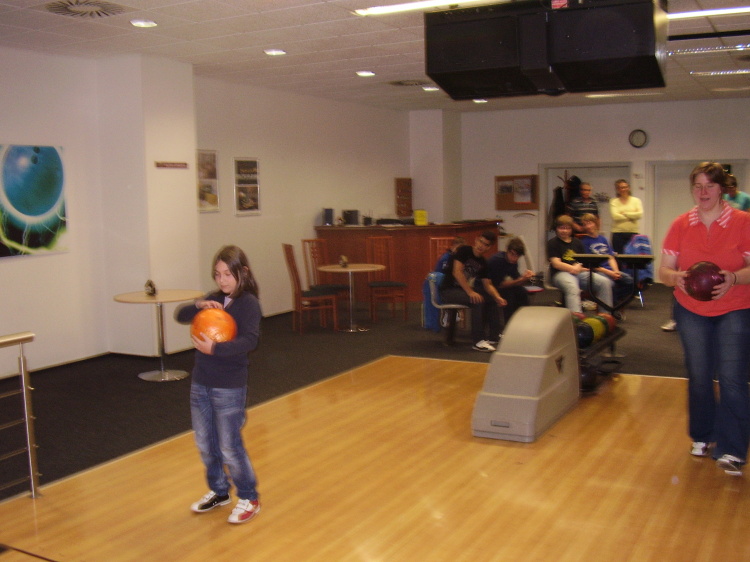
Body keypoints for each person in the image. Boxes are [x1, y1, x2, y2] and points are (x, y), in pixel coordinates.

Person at [659, 161, 750, 476]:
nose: (703, 192)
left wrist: (734, 278)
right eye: (697, 186)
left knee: (732, 377)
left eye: (710, 185)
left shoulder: (743, 222)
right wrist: (677, 278)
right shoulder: (681, 224)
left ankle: (733, 449)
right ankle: (702, 435)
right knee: (699, 376)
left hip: (735, 306)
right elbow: (664, 270)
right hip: (691, 309)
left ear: (722, 188)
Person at [175, 245, 263, 523]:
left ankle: (249, 497)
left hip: (229, 385)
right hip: (201, 381)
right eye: (217, 274)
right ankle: (219, 490)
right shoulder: (213, 299)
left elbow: (250, 340)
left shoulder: (248, 303)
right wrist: (199, 305)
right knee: (204, 441)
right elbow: (180, 315)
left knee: (229, 445)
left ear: (242, 272)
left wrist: (216, 349)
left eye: (228, 274)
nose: (222, 280)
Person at [440, 230, 507, 352]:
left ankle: (494, 335)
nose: (481, 246)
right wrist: (470, 292)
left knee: (490, 298)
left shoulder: (483, 262)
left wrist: (497, 297)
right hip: (448, 290)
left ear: (489, 247)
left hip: (461, 290)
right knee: (477, 300)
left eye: (486, 245)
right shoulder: (464, 250)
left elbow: (488, 284)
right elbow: (457, 272)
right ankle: (478, 341)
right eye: (481, 242)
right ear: (476, 240)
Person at [547, 214, 612, 313]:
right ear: (556, 229)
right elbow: (556, 264)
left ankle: (606, 315)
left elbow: (582, 261)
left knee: (604, 282)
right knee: (572, 287)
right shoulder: (553, 243)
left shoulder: (577, 242)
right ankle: (576, 318)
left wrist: (578, 266)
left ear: (571, 229)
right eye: (561, 228)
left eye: (567, 228)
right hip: (560, 274)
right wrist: (573, 268)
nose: (564, 231)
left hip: (578, 273)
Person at [579, 213, 634, 311]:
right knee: (610, 284)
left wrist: (615, 271)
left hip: (610, 270)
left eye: (590, 223)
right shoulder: (584, 242)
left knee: (630, 281)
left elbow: (611, 257)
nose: (588, 226)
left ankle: (614, 302)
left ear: (595, 223)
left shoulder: (603, 239)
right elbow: (592, 264)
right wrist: (610, 273)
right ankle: (611, 308)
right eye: (585, 224)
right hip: (598, 271)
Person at [486, 237, 534, 332]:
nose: (514, 258)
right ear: (507, 251)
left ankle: (523, 321)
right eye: (512, 254)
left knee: (522, 292)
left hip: (498, 285)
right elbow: (500, 284)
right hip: (487, 287)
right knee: (508, 294)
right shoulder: (497, 260)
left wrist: (525, 278)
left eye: (517, 256)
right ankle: (509, 327)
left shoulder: (513, 262)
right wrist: (521, 279)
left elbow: (516, 281)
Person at [610, 179, 643, 253]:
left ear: (629, 188)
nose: (624, 189)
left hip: (633, 233)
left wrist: (625, 213)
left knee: (633, 256)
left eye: (625, 187)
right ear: (618, 189)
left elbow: (639, 215)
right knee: (618, 256)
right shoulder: (614, 201)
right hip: (618, 233)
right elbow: (615, 216)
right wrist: (632, 215)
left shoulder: (636, 201)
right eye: (621, 187)